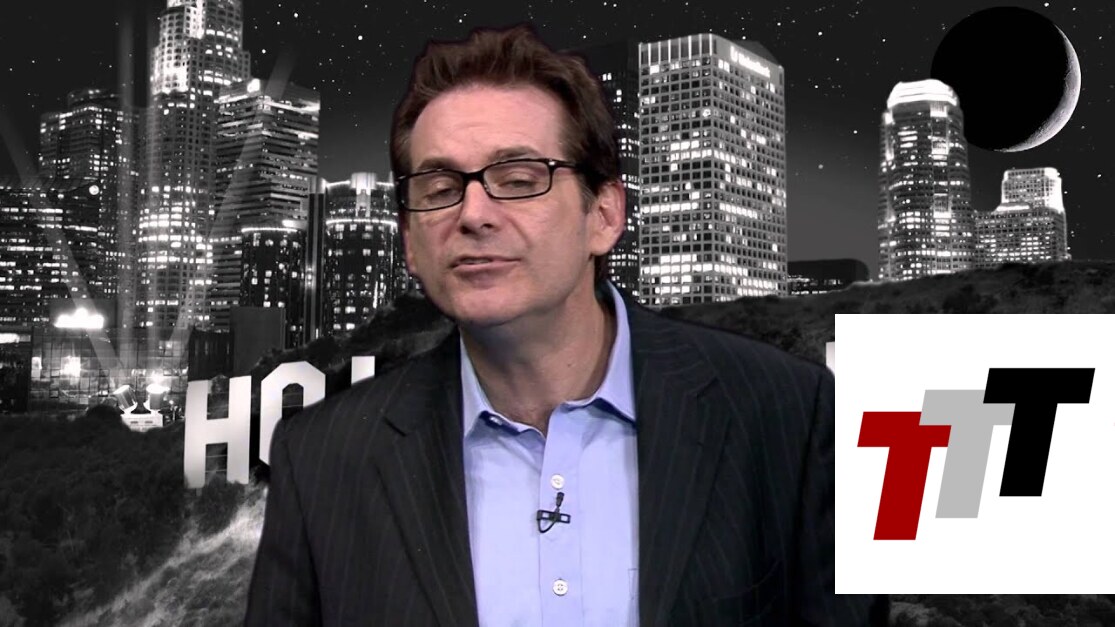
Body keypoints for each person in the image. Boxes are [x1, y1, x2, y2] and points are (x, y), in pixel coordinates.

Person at [245, 24, 888, 626]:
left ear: (604, 216)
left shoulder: (789, 415)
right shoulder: (322, 458)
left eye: (518, 179)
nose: (473, 213)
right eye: (439, 189)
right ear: (410, 241)